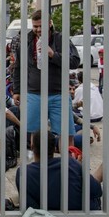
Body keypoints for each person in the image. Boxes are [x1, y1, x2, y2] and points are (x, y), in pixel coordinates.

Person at [16, 130, 109, 217]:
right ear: (54, 148)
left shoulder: (23, 173)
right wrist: (80, 169)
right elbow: (96, 191)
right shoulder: (70, 163)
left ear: (32, 147)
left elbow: (31, 208)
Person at [12, 9, 80, 145]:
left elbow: (75, 61)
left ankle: (67, 165)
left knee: (66, 135)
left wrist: (52, 54)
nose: (37, 29)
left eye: (41, 26)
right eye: (35, 26)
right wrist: (17, 90)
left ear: (49, 23)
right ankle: (36, 165)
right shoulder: (26, 41)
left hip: (58, 94)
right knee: (34, 135)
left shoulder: (60, 39)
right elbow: (18, 67)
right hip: (34, 94)